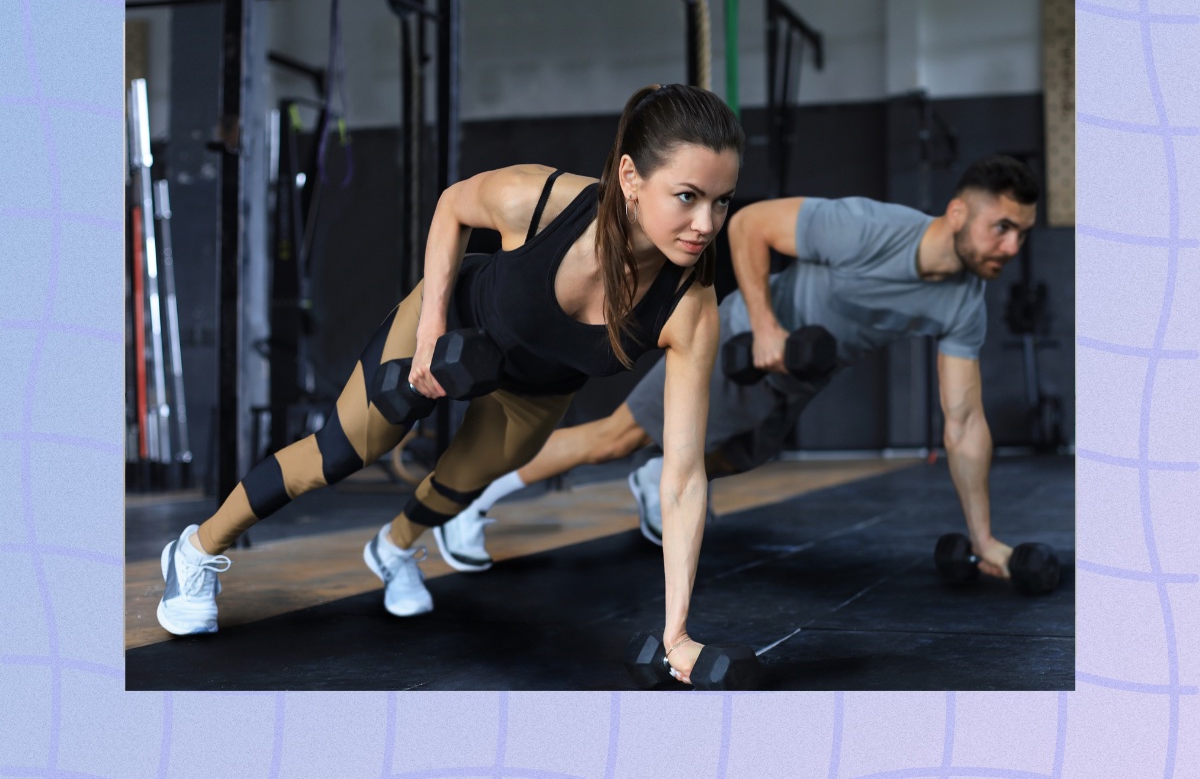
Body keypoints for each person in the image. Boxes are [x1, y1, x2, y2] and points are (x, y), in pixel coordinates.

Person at [156, 83, 744, 685]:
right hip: (458, 320)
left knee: (464, 479)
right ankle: (196, 551)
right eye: (687, 196)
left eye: (722, 201)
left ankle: (394, 547)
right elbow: (452, 206)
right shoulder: (539, 201)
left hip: (538, 388)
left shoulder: (689, 309)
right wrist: (432, 325)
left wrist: (676, 632)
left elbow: (681, 478)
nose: (706, 224)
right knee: (340, 452)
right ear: (630, 176)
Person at [436, 155, 1040, 581]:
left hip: (803, 371)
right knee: (615, 436)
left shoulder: (964, 303)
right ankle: (465, 502)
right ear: (959, 214)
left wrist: (983, 539)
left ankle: (652, 482)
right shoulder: (871, 229)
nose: (1012, 249)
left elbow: (963, 423)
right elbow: (750, 225)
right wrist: (767, 325)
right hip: (752, 335)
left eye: (1022, 235)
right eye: (1002, 228)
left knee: (747, 453)